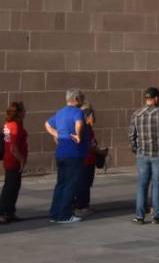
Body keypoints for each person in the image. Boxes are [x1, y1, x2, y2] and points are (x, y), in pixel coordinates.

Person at [130, 86, 159, 224]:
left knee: (142, 184)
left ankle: (139, 216)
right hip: (158, 153)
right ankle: (157, 215)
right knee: (157, 184)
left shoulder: (136, 113)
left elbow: (132, 135)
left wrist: (136, 149)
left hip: (142, 154)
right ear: (156, 98)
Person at [45, 88, 88, 224]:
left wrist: (58, 134)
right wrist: (78, 135)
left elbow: (47, 124)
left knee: (61, 183)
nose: (83, 101)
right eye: (82, 98)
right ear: (76, 99)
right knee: (71, 184)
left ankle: (55, 213)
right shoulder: (78, 112)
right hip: (73, 152)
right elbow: (79, 123)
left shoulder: (60, 112)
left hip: (61, 151)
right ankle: (64, 215)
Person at [0, 101, 28, 224]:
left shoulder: (8, 124)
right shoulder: (14, 126)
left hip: (9, 159)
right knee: (10, 187)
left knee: (13, 187)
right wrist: (22, 160)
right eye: (23, 110)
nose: (25, 112)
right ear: (18, 113)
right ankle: (2, 213)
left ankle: (9, 211)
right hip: (13, 160)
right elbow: (13, 148)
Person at [74, 103, 101, 216]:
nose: (94, 118)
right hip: (86, 160)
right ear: (88, 116)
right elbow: (88, 145)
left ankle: (83, 205)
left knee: (86, 184)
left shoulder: (88, 128)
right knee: (83, 184)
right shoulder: (84, 128)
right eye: (92, 115)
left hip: (89, 160)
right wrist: (100, 152)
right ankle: (82, 206)